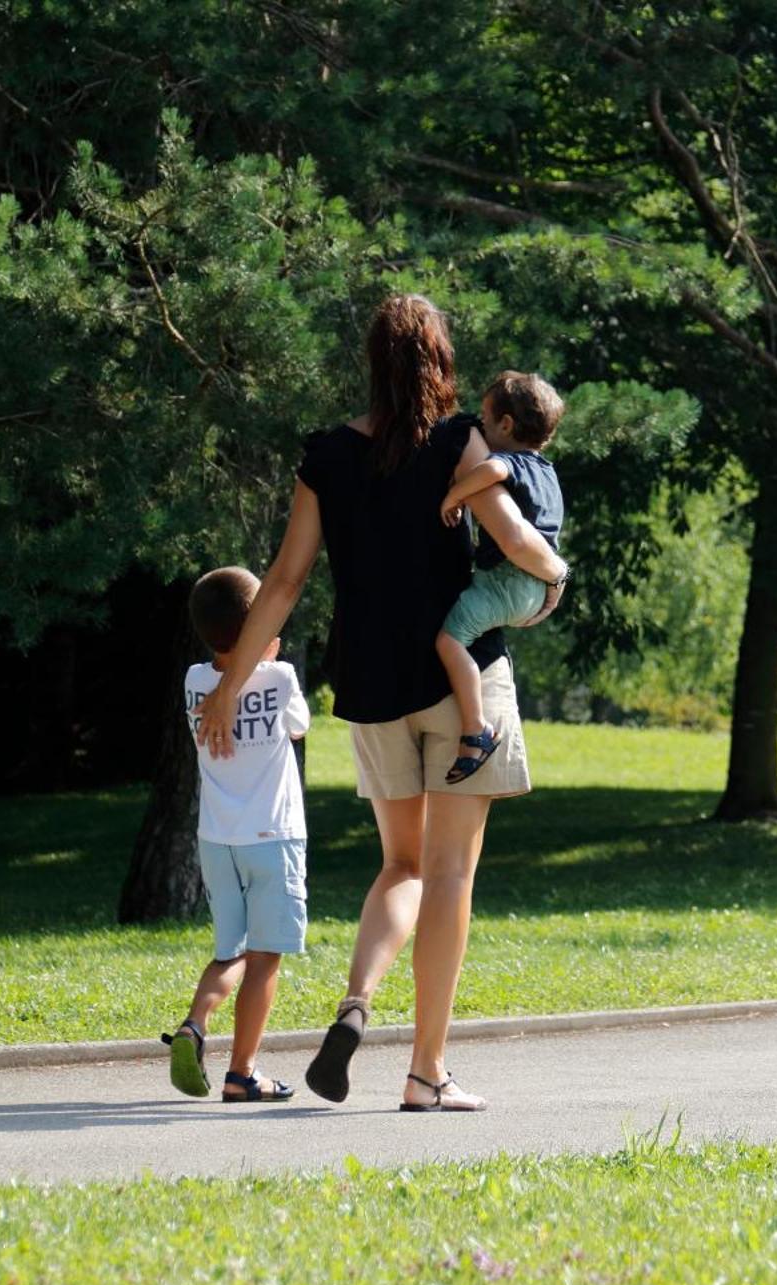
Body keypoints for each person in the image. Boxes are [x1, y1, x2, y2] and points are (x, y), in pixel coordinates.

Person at [192, 293, 566, 1113]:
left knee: (400, 865)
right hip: (461, 676)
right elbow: (512, 538)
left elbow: (284, 582)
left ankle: (358, 998)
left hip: (372, 688)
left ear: (370, 361)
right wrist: (554, 575)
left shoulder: (325, 455)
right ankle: (426, 1072)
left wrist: (227, 685)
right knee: (450, 875)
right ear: (440, 360)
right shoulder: (461, 440)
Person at [163, 565, 310, 1103]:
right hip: (273, 837)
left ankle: (195, 1024)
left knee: (232, 951)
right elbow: (299, 726)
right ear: (260, 627)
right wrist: (266, 659)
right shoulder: (281, 676)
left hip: (216, 839)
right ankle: (242, 1072)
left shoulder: (194, 682)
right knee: (266, 955)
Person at [435, 371, 566, 784]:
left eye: (486, 421)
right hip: (532, 584)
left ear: (506, 425)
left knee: (450, 640)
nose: (481, 428)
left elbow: (489, 470)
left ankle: (476, 729)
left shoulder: (508, 462)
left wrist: (455, 495)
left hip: (509, 580)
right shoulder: (546, 471)